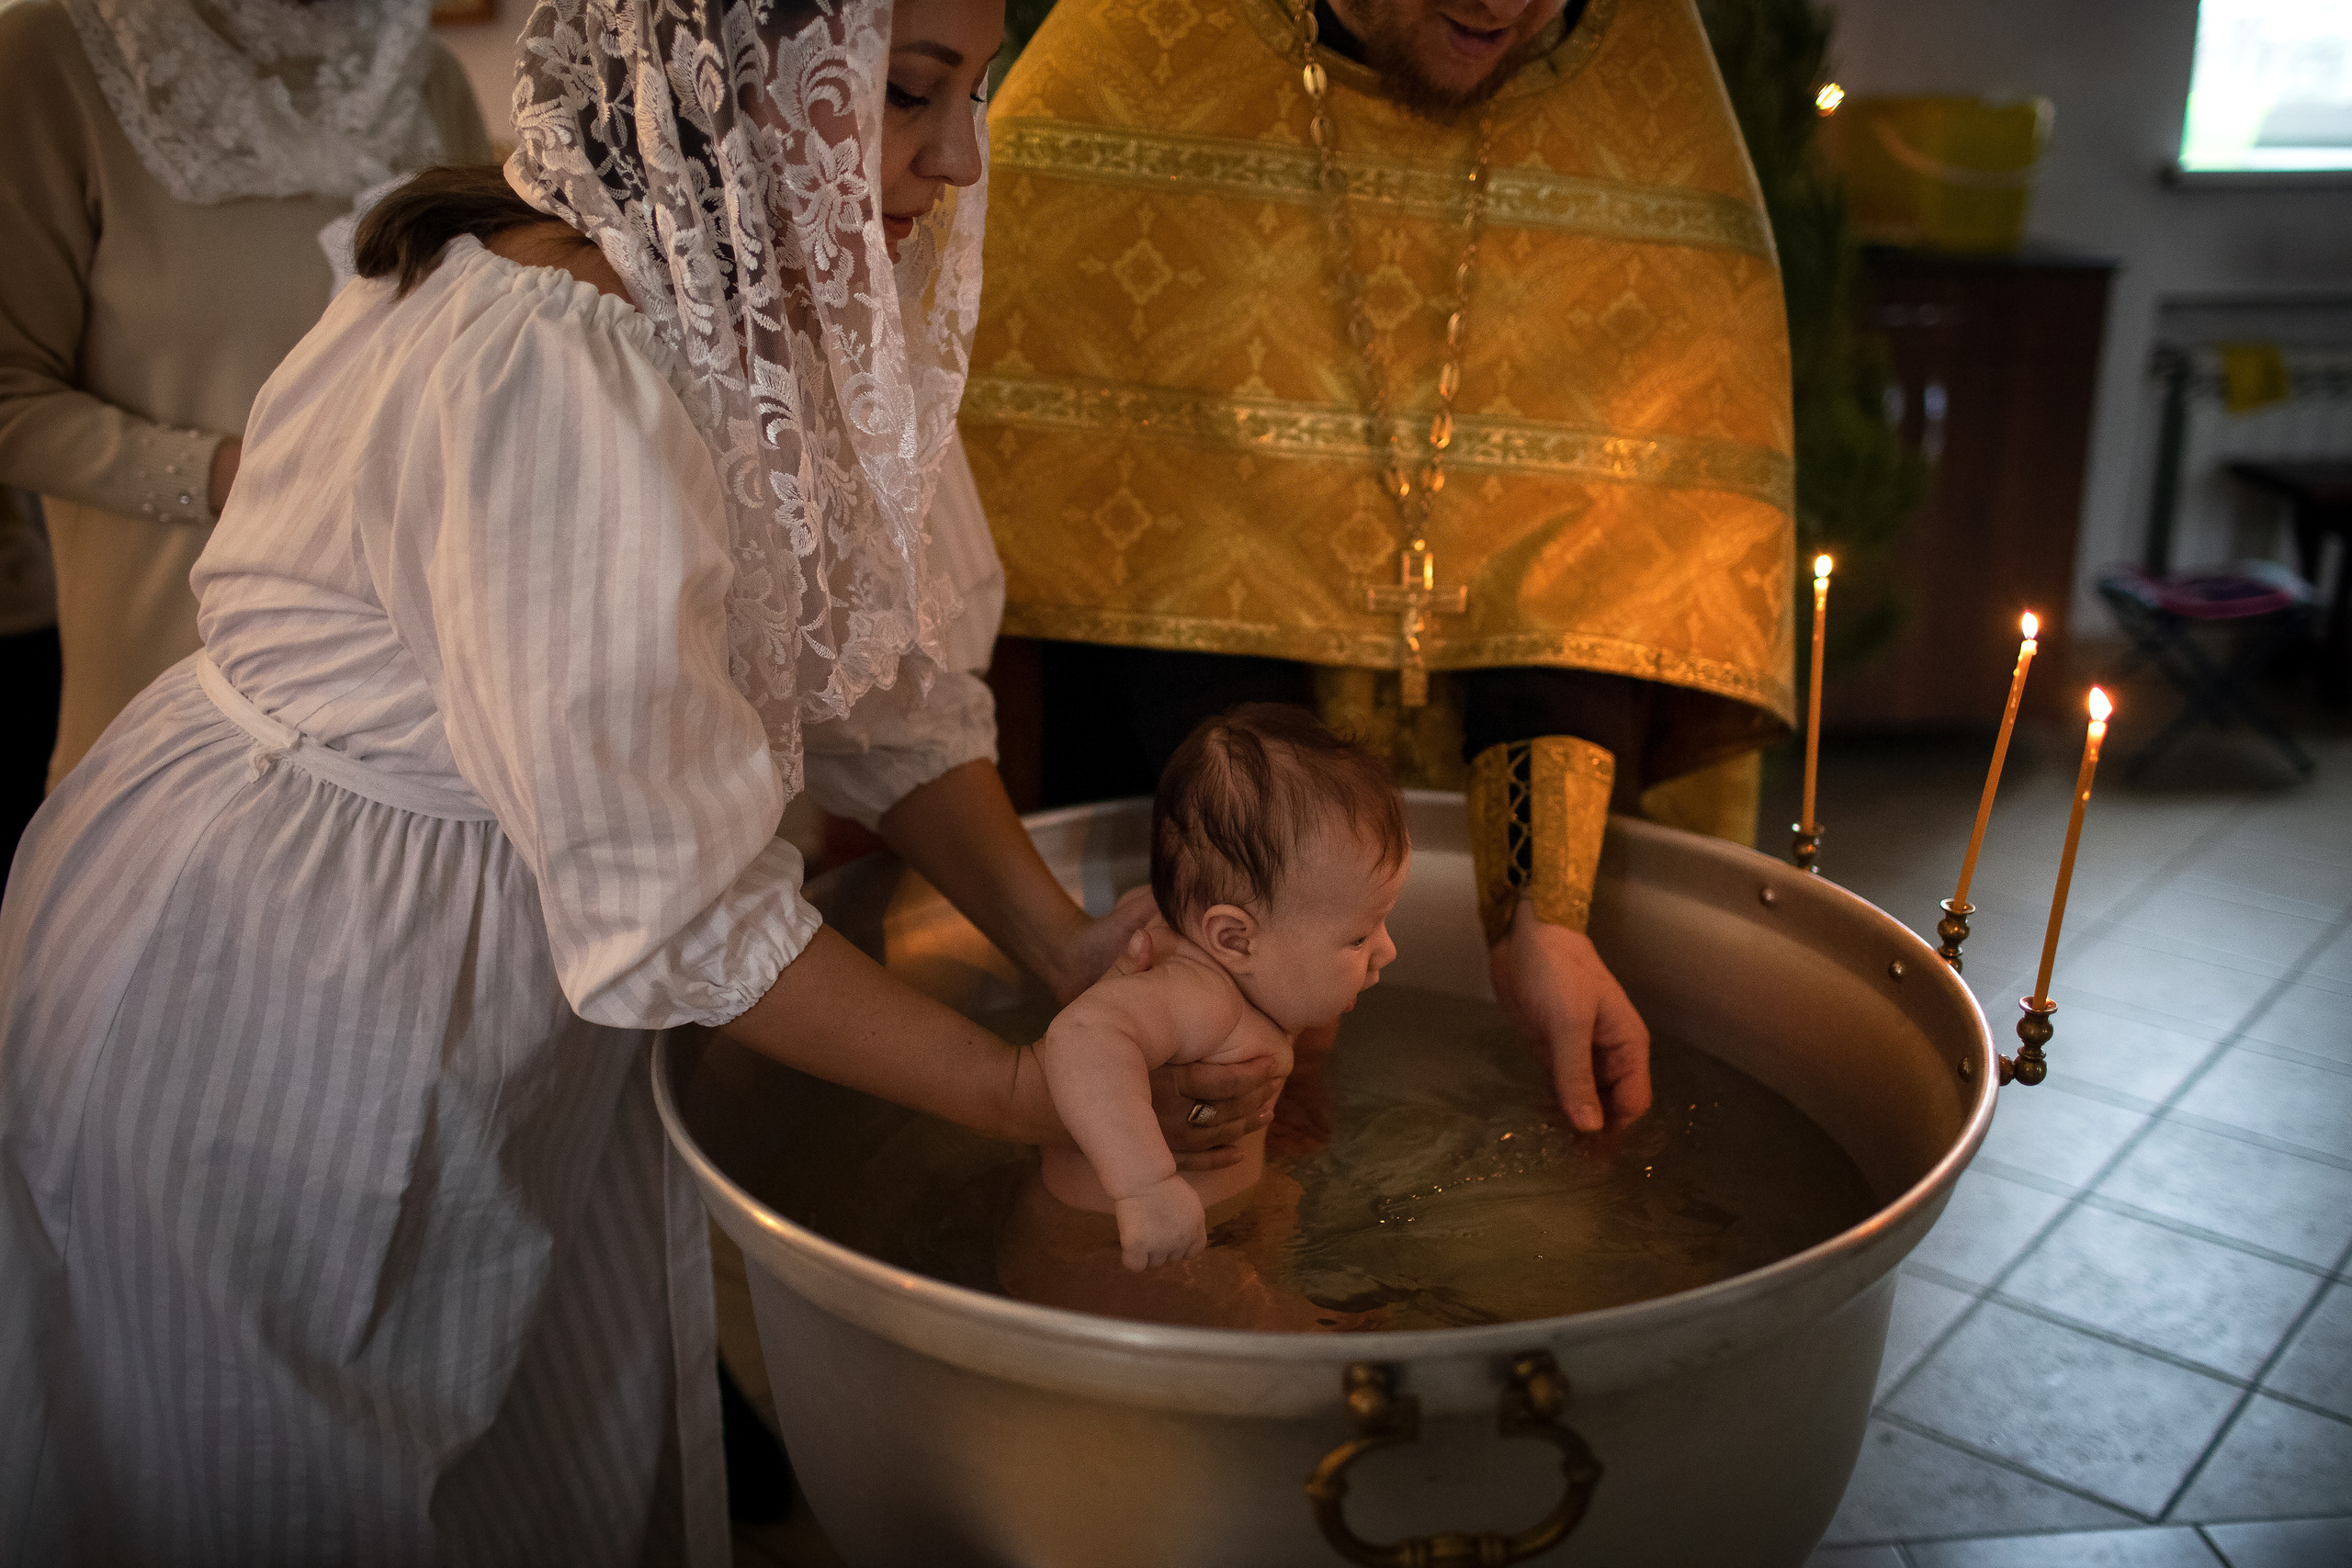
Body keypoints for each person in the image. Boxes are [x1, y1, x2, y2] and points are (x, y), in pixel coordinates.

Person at [0, 0, 1278, 1560]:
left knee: (523, 1421)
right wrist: (1026, 1090)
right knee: (309, 1461)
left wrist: (1059, 949)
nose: (958, 157)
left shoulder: (790, 298)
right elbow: (681, 913)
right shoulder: (563, 361)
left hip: (517, 933)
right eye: (907, 93)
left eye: (975, 95)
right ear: (725, 77)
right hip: (296, 958)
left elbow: (874, 687)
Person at [959, 0, 1798, 1134]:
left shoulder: (1643, 113)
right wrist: (1264, 919)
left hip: (1516, 777)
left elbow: (1610, 562)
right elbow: (1127, 523)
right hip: (1190, 799)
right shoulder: (1129, 64)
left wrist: (1536, 911)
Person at [0, 0, 494, 790]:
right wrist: (231, 473)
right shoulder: (50, 53)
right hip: (169, 694)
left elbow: (490, 354)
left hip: (413, 723)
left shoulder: (422, 75)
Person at [1035, 705, 1407, 1270]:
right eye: (1358, 937)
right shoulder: (1196, 993)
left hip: (1199, 1229)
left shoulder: (1246, 974)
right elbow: (1083, 1037)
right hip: (1113, 1254)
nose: (1388, 950)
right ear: (1233, 938)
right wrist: (1146, 1188)